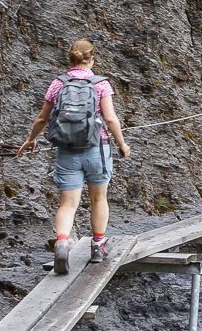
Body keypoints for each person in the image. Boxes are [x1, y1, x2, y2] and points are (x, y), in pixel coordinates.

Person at [15, 38, 131, 266]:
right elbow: (110, 118)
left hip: (67, 150)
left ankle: (61, 242)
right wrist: (122, 144)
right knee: (99, 198)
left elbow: (42, 118)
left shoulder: (58, 84)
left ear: (70, 58)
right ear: (92, 58)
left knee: (67, 204)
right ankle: (98, 246)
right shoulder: (101, 84)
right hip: (97, 149)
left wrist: (30, 140)